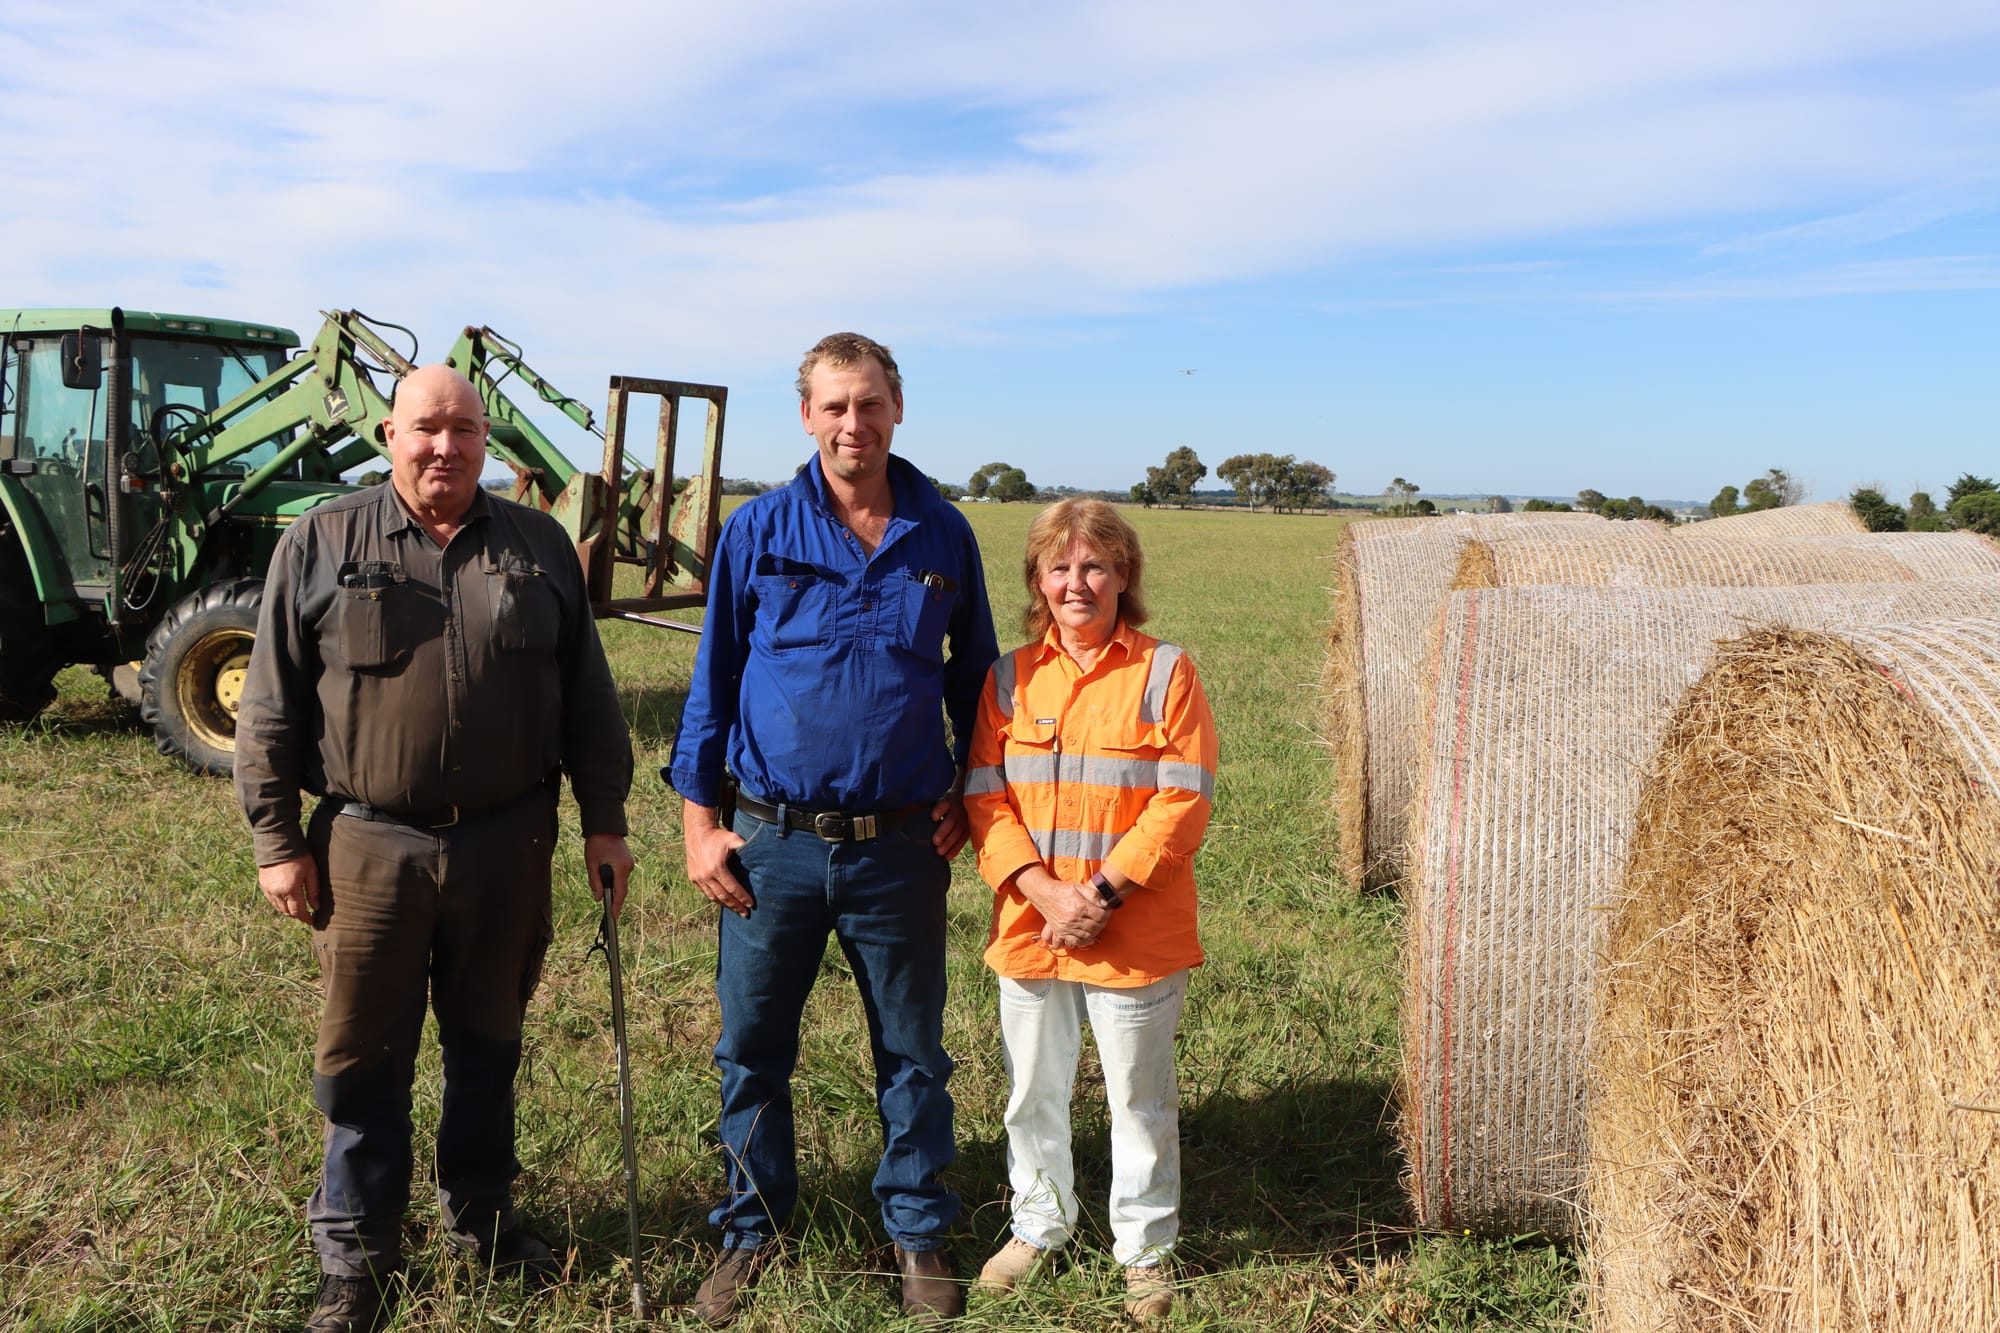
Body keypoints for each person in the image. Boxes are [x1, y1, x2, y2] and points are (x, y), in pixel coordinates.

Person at [234, 365, 637, 1333]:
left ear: (486, 439)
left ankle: (482, 1218)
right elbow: (271, 703)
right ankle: (354, 1248)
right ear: (388, 433)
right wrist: (276, 840)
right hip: (368, 844)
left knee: (486, 1042)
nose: (444, 447)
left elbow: (587, 693)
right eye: (426, 428)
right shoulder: (323, 537)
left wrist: (605, 819)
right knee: (364, 1051)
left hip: (508, 839)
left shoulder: (537, 544)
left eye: (463, 429)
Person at [664, 331, 998, 1326]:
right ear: (807, 417)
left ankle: (914, 1227)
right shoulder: (759, 529)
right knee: (752, 1047)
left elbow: (975, 680)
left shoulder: (942, 534)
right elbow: (711, 686)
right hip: (771, 843)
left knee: (912, 1049)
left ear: (896, 410)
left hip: (900, 844)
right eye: (833, 406)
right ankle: (750, 1228)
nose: (853, 424)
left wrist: (973, 792)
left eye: (869, 404)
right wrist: (697, 826)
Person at [964, 499, 1217, 1324]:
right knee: (1031, 1094)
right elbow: (984, 796)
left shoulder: (1164, 672)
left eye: (1095, 565)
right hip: (1033, 927)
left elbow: (1183, 801)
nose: (1078, 582)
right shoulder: (1007, 677)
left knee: (1138, 1100)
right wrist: (1043, 892)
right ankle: (1039, 1225)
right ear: (1039, 580)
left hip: (1130, 930)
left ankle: (1144, 1249)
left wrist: (1100, 894)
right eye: (1061, 567)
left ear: (1124, 575)